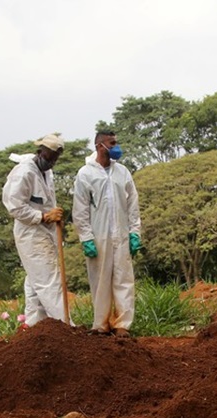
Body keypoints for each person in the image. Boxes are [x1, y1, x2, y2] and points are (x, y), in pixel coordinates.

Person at [72, 130, 142, 338]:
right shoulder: (85, 174)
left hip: (121, 234)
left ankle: (122, 325)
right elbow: (80, 209)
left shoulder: (123, 173)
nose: (116, 147)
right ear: (99, 145)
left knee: (124, 279)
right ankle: (101, 325)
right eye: (112, 143)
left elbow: (133, 204)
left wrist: (135, 232)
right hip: (98, 236)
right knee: (100, 280)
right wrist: (86, 238)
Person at [2, 133, 70, 327]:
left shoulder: (47, 173)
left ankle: (33, 325)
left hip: (46, 231)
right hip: (30, 233)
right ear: (40, 152)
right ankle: (65, 326)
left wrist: (54, 217)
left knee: (34, 281)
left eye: (56, 159)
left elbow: (48, 201)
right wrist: (43, 216)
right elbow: (14, 206)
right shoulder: (24, 172)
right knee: (48, 280)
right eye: (50, 157)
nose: (52, 163)